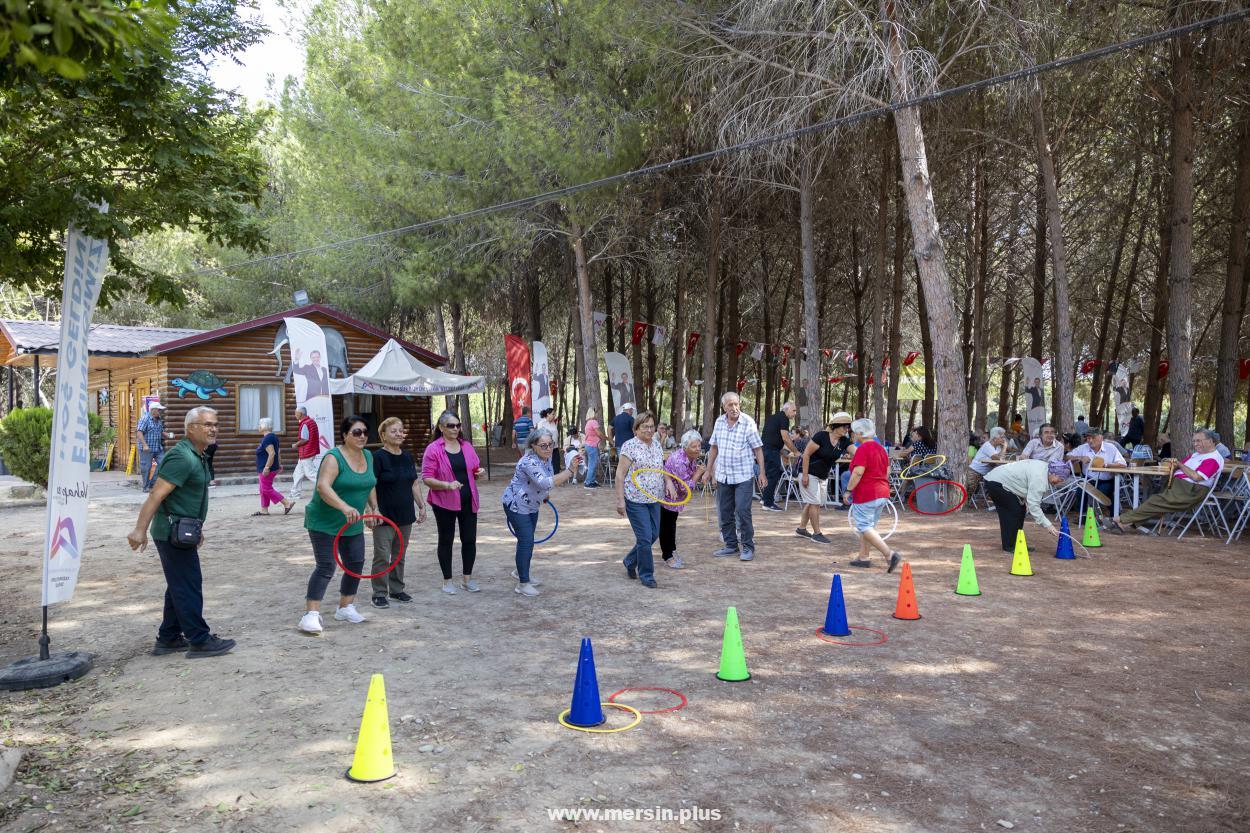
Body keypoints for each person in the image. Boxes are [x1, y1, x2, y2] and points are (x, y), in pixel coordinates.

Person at [127, 406, 235, 658]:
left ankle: (169, 637)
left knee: (179, 583)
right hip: (170, 531)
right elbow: (157, 494)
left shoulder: (198, 454)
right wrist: (139, 530)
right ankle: (198, 639)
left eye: (215, 424)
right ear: (191, 428)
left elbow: (190, 496)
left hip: (184, 529)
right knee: (188, 584)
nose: (213, 428)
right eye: (207, 424)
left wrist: (198, 527)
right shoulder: (182, 457)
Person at [298, 416, 378, 635]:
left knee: (355, 562)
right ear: (344, 435)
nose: (362, 436)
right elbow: (323, 487)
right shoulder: (334, 458)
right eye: (356, 432)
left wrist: (374, 509)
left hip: (352, 522)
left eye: (364, 432)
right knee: (326, 566)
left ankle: (345, 607)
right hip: (324, 521)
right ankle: (310, 615)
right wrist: (344, 507)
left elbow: (370, 483)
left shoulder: (368, 456)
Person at [503, 428, 579, 595]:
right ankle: (523, 584)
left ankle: (521, 572)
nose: (548, 448)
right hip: (517, 505)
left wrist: (544, 496)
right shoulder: (528, 461)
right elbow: (545, 482)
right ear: (533, 446)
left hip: (532, 504)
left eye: (550, 444)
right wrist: (570, 471)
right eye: (543, 445)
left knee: (525, 540)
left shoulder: (546, 458)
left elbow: (545, 481)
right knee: (527, 541)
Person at [1111, 430, 1225, 533]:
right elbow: (1179, 465)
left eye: (1199, 441)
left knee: (1156, 500)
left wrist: (1178, 464)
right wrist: (1172, 463)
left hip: (1191, 490)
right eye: (1194, 441)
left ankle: (1121, 519)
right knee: (1155, 500)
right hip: (1181, 486)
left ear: (1210, 441)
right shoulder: (1197, 455)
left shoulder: (1213, 458)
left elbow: (1196, 477)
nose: (1195, 444)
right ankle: (1125, 523)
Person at [423, 410, 485, 595]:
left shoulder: (466, 446)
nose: (456, 428)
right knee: (446, 540)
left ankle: (467, 579)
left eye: (458, 425)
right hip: (444, 502)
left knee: (469, 540)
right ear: (441, 428)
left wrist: (478, 474)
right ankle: (447, 581)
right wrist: (447, 485)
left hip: (468, 500)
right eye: (451, 425)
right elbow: (426, 478)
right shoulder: (433, 449)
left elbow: (473, 470)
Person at [369, 417, 428, 609]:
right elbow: (371, 485)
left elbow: (413, 482)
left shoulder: (407, 456)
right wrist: (373, 509)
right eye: (393, 431)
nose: (398, 434)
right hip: (384, 515)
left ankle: (396, 589)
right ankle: (379, 592)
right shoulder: (377, 457)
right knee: (382, 555)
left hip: (405, 514)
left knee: (399, 554)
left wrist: (421, 505)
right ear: (383, 435)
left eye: (400, 430)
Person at [702, 392, 766, 561]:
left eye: (736, 404)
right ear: (724, 407)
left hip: (743, 476)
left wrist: (762, 473)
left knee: (743, 510)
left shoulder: (748, 422)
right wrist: (708, 471)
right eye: (730, 405)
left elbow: (758, 449)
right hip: (724, 476)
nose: (734, 408)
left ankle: (747, 546)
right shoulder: (719, 422)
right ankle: (731, 545)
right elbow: (714, 448)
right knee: (725, 512)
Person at [842, 419, 901, 571]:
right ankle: (864, 557)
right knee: (868, 527)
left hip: (867, 493)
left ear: (860, 434)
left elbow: (858, 472)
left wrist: (848, 490)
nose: (852, 435)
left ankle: (889, 554)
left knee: (864, 526)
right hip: (882, 492)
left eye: (853, 432)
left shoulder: (862, 449)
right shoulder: (880, 448)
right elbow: (887, 471)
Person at [615, 411, 665, 587]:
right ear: (636, 429)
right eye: (645, 427)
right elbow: (620, 474)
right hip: (635, 499)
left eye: (652, 426)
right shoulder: (629, 446)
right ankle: (646, 575)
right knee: (644, 537)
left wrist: (670, 485)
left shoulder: (657, 445)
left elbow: (662, 470)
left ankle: (630, 560)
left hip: (655, 498)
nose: (649, 430)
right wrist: (620, 500)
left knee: (653, 535)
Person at [983, 459, 1066, 552]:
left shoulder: (1045, 469)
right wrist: (1048, 525)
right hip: (996, 482)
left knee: (1020, 510)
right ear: (1053, 473)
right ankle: (1009, 546)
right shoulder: (1039, 478)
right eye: (1060, 479)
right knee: (1013, 512)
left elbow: (1025, 486)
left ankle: (1017, 544)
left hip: (1000, 481)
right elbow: (1034, 505)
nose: (1059, 482)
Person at [796, 415, 849, 543]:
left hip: (823, 476)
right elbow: (806, 454)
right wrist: (805, 475)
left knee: (813, 502)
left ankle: (801, 529)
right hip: (809, 473)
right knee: (815, 503)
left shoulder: (844, 441)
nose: (847, 429)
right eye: (844, 426)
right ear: (835, 426)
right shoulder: (821, 436)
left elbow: (856, 452)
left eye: (848, 427)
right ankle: (817, 533)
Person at [659, 429, 704, 569]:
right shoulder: (679, 460)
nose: (698, 449)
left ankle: (672, 550)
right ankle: (667, 555)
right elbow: (685, 488)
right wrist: (698, 474)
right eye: (694, 446)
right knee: (666, 526)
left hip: (675, 499)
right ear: (685, 447)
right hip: (667, 497)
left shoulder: (690, 457)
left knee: (671, 524)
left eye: (699, 446)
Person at [1067, 428, 1127, 503]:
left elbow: (1123, 464)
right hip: (1087, 480)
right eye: (1088, 438)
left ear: (1101, 438)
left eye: (1093, 437)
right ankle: (1084, 513)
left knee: (1103, 494)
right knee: (1080, 493)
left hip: (1106, 481)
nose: (1090, 440)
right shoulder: (1083, 447)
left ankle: (1111, 513)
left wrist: (1106, 465)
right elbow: (1066, 457)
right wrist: (1080, 457)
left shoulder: (1111, 448)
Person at [760, 401, 799, 511]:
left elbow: (773, 438)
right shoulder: (784, 418)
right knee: (773, 476)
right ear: (786, 409)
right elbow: (785, 438)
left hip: (766, 449)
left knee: (769, 475)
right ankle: (768, 503)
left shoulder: (774, 417)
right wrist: (796, 452)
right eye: (793, 410)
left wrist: (782, 453)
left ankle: (765, 498)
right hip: (771, 451)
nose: (795, 413)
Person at [254, 417, 293, 516]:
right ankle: (264, 510)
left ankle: (286, 503)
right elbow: (278, 452)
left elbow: (272, 453)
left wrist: (267, 467)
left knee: (266, 488)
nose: (258, 426)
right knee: (263, 489)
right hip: (268, 467)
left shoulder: (268, 438)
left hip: (267, 468)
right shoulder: (273, 437)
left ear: (264, 426)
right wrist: (279, 463)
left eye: (260, 424)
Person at [288, 406, 321, 501]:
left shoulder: (305, 424)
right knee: (297, 473)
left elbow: (305, 439)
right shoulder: (311, 422)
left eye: (296, 413)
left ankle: (326, 488)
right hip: (309, 451)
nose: (295, 415)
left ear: (300, 414)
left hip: (306, 452)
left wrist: (295, 445)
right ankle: (295, 493)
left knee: (310, 473)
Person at [967, 426, 1009, 498]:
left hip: (984, 474)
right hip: (974, 472)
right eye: (1002, 437)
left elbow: (1000, 459)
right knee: (968, 493)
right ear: (995, 438)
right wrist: (1005, 447)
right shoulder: (987, 445)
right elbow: (998, 459)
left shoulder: (998, 447)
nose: (1003, 439)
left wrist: (1002, 450)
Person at [135, 402, 167, 492]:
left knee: (163, 464)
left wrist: (167, 435)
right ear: (153, 410)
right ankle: (145, 487)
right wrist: (145, 445)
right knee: (146, 468)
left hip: (157, 448)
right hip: (147, 449)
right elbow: (139, 433)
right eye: (159, 410)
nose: (161, 411)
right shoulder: (145, 419)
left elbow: (160, 431)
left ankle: (152, 484)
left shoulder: (159, 419)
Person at [582, 407, 602, 489]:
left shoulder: (588, 422)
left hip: (589, 445)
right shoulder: (593, 422)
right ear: (593, 413)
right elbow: (599, 433)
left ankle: (592, 481)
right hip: (592, 446)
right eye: (596, 413)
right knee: (592, 464)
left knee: (593, 463)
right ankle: (588, 482)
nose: (597, 414)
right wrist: (606, 438)